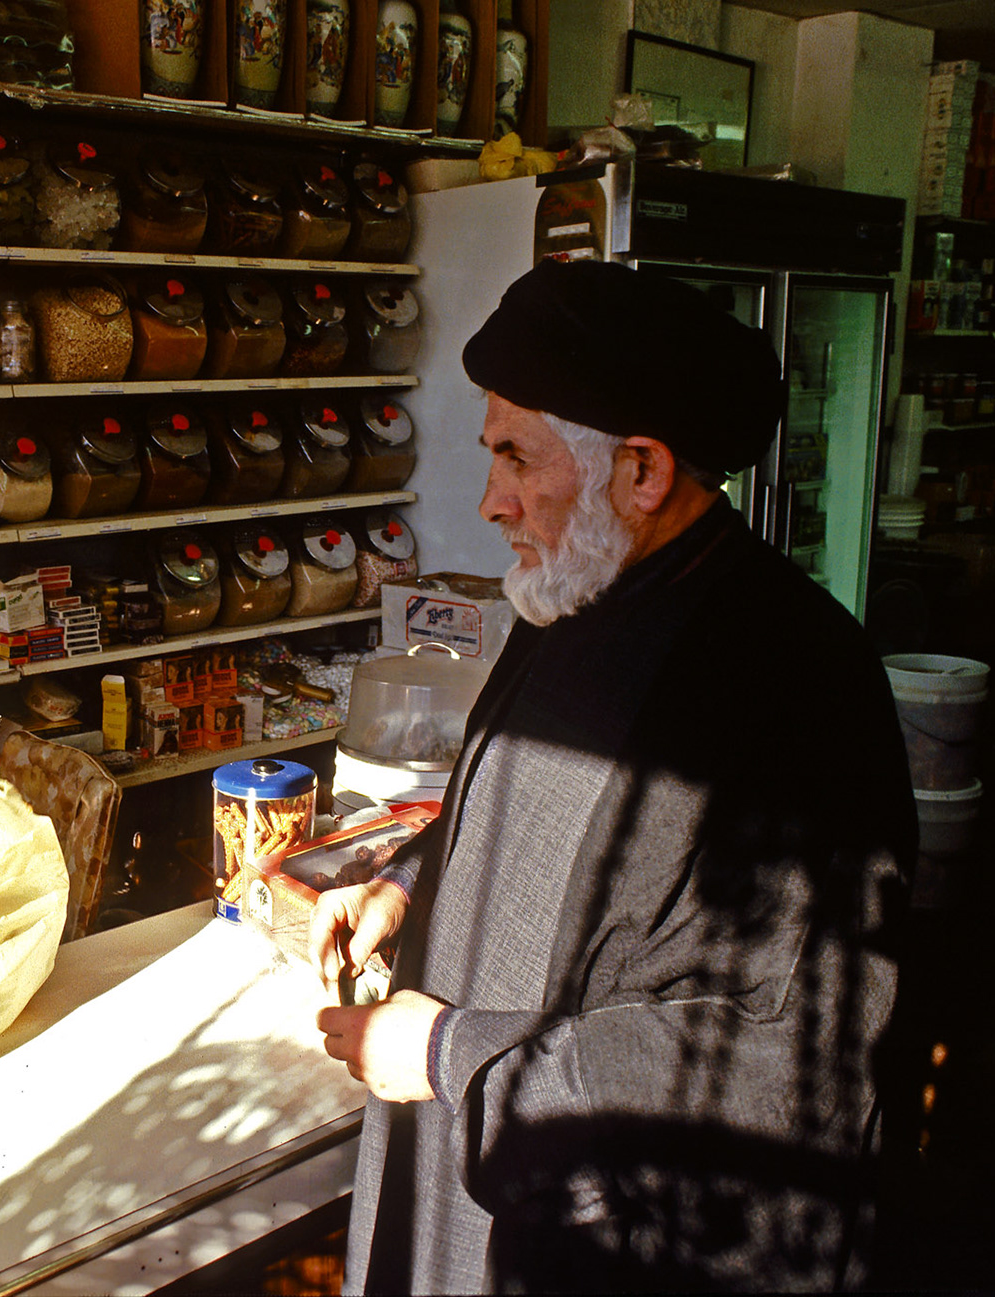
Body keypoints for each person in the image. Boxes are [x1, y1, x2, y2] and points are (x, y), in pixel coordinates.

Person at [311, 259, 914, 1293]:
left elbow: (773, 1061)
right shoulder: (577, 590)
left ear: (641, 471)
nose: (490, 501)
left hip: (607, 1247)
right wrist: (409, 883)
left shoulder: (800, 681)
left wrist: (455, 1057)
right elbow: (515, 803)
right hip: (459, 1142)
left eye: (516, 457)